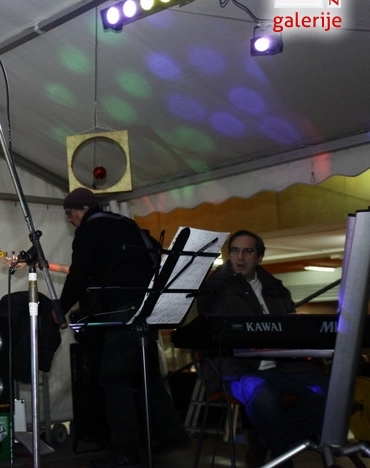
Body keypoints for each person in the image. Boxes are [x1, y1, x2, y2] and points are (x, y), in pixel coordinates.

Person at [57, 188, 189, 468]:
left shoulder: (89, 230)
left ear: (82, 209)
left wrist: (60, 307)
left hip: (123, 308)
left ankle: (126, 450)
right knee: (146, 374)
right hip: (148, 306)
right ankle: (173, 433)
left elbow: (79, 274)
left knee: (114, 377)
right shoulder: (125, 223)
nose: (69, 220)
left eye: (69, 213)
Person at [196, 229, 328, 467]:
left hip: (282, 367)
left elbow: (291, 330)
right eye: (235, 250)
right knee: (265, 397)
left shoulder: (275, 288)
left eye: (248, 251)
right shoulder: (214, 289)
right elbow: (211, 335)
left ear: (259, 257)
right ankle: (281, 454)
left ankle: (265, 438)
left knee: (330, 391)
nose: (240, 257)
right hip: (238, 369)